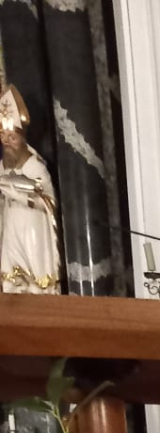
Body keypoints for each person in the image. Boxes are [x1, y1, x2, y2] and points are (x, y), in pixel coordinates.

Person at [0, 75, 61, 294]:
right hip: (11, 225)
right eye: (3, 136)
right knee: (11, 280)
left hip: (32, 226)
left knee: (36, 280)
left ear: (22, 138)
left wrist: (18, 194)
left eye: (12, 137)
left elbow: (49, 203)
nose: (7, 142)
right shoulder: (2, 165)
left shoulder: (36, 167)